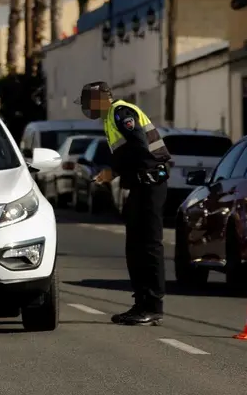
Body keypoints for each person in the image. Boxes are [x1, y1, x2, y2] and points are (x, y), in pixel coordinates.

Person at [77, 81, 171, 326]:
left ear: (100, 99)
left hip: (150, 184)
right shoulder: (111, 118)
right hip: (140, 185)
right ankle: (141, 303)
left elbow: (140, 147)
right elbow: (127, 152)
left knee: (148, 246)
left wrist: (113, 171)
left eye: (88, 102)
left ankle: (152, 306)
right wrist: (115, 173)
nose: (87, 108)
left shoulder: (121, 112)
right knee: (135, 246)